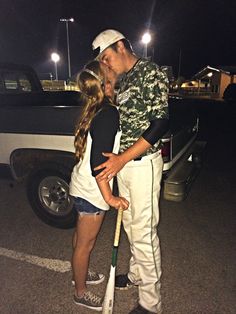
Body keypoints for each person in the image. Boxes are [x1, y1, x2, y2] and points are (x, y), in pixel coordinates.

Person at [92, 29, 169, 314]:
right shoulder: (124, 80)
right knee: (129, 226)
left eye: (108, 57)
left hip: (142, 164)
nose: (107, 64)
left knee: (143, 233)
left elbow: (160, 123)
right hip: (123, 164)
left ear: (122, 46)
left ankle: (151, 303)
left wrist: (122, 159)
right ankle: (136, 274)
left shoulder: (152, 72)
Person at [69, 60, 129, 312]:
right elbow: (98, 163)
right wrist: (110, 198)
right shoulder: (108, 113)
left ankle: (78, 274)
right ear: (106, 84)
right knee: (86, 244)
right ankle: (80, 292)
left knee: (80, 240)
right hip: (92, 191)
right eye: (114, 77)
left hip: (82, 187)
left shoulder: (96, 108)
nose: (117, 80)